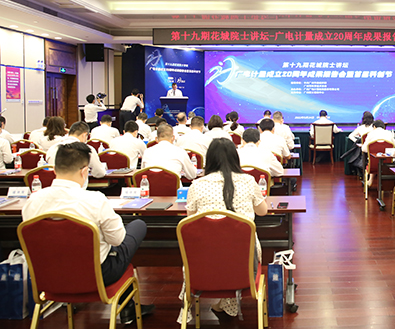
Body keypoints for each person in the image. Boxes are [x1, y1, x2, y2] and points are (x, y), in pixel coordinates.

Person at [22, 142, 155, 324]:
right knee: (137, 226)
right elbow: (117, 240)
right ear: (85, 171)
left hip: (47, 276)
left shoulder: (32, 201)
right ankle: (129, 307)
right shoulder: (95, 200)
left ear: (54, 169)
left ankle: (129, 306)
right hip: (96, 275)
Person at [185, 138, 267, 318]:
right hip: (244, 257)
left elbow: (190, 220)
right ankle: (226, 302)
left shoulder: (197, 185)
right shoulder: (248, 181)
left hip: (204, 258)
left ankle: (223, 302)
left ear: (209, 159)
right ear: (235, 158)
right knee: (237, 241)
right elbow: (263, 211)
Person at [362, 120, 395, 188]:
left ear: (374, 126)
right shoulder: (389, 133)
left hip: (373, 164)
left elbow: (364, 149)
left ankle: (370, 180)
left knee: (374, 159)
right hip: (388, 163)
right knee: (380, 161)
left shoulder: (371, 134)